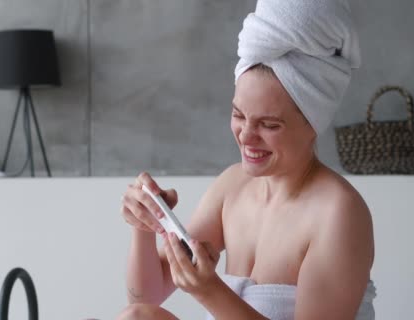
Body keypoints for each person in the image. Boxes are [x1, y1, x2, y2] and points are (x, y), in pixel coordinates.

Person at [117, 0, 376, 319]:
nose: (246, 135)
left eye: (269, 125)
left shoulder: (337, 213)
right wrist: (145, 225)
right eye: (239, 115)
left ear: (313, 125)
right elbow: (147, 295)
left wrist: (210, 291)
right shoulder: (233, 185)